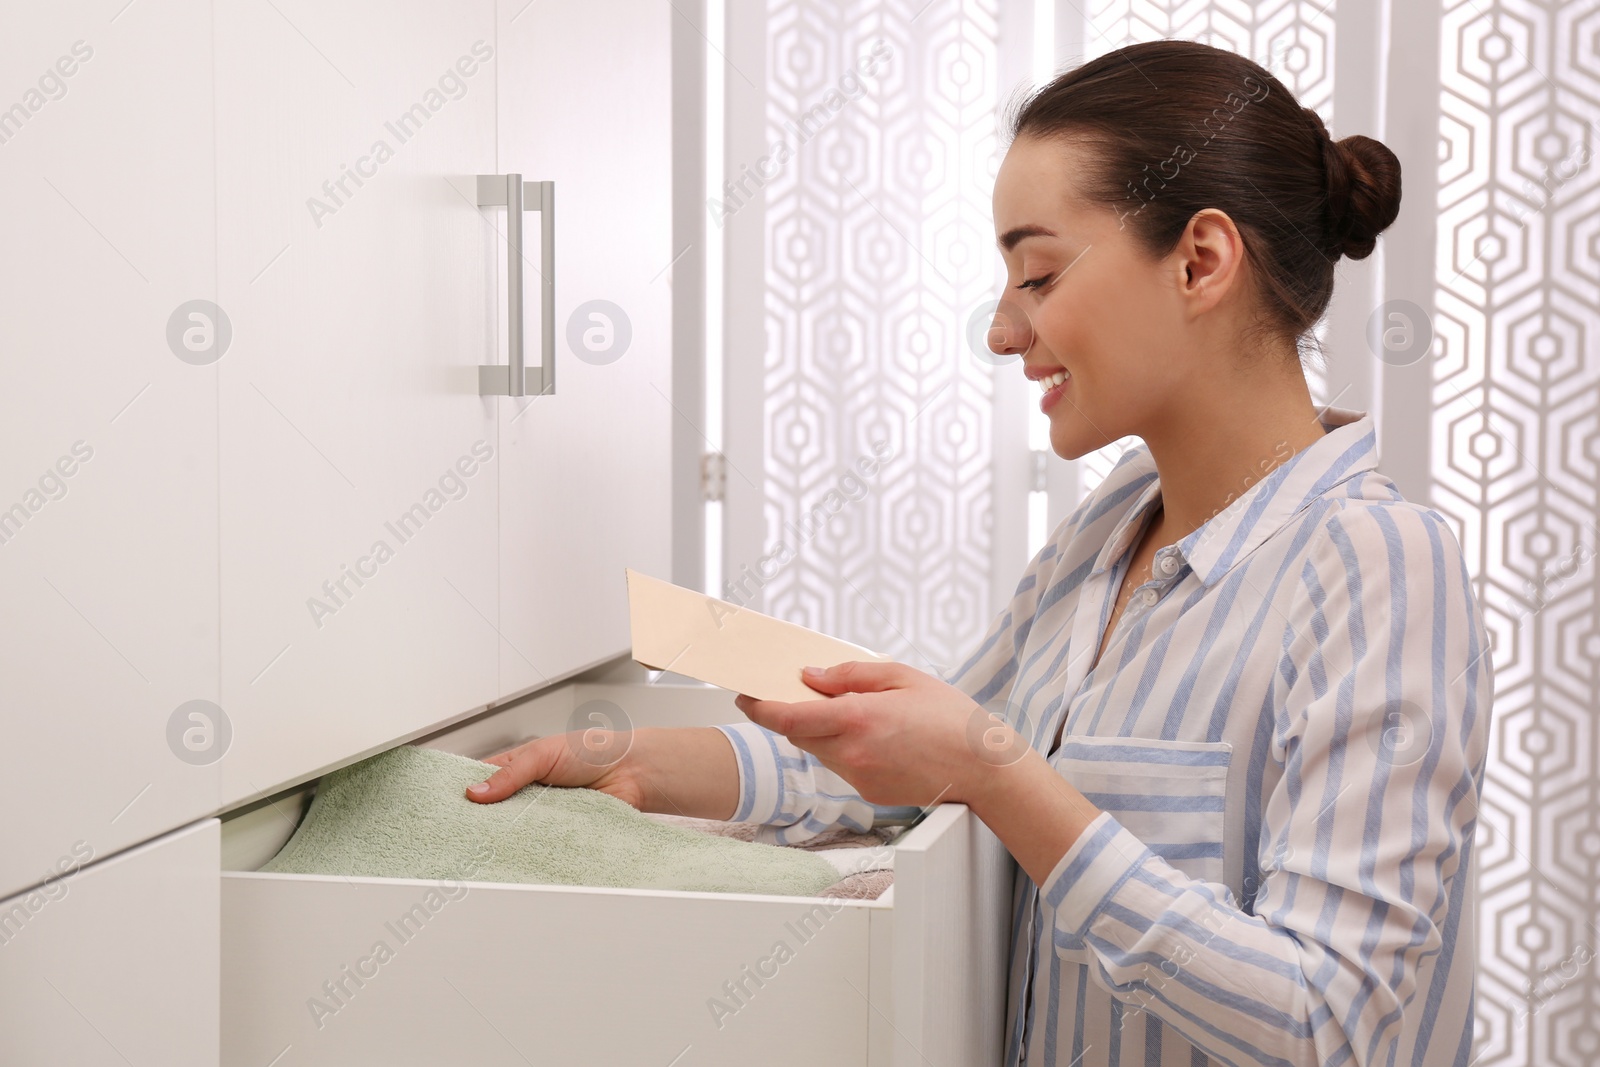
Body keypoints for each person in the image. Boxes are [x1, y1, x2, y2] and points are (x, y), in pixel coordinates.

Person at [466, 38, 1493, 1067]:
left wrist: (999, 778)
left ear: (1200, 261)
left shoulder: (1374, 564)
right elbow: (920, 764)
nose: (1003, 331)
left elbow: (1328, 1018)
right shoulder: (1109, 528)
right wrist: (639, 761)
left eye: (1038, 274)